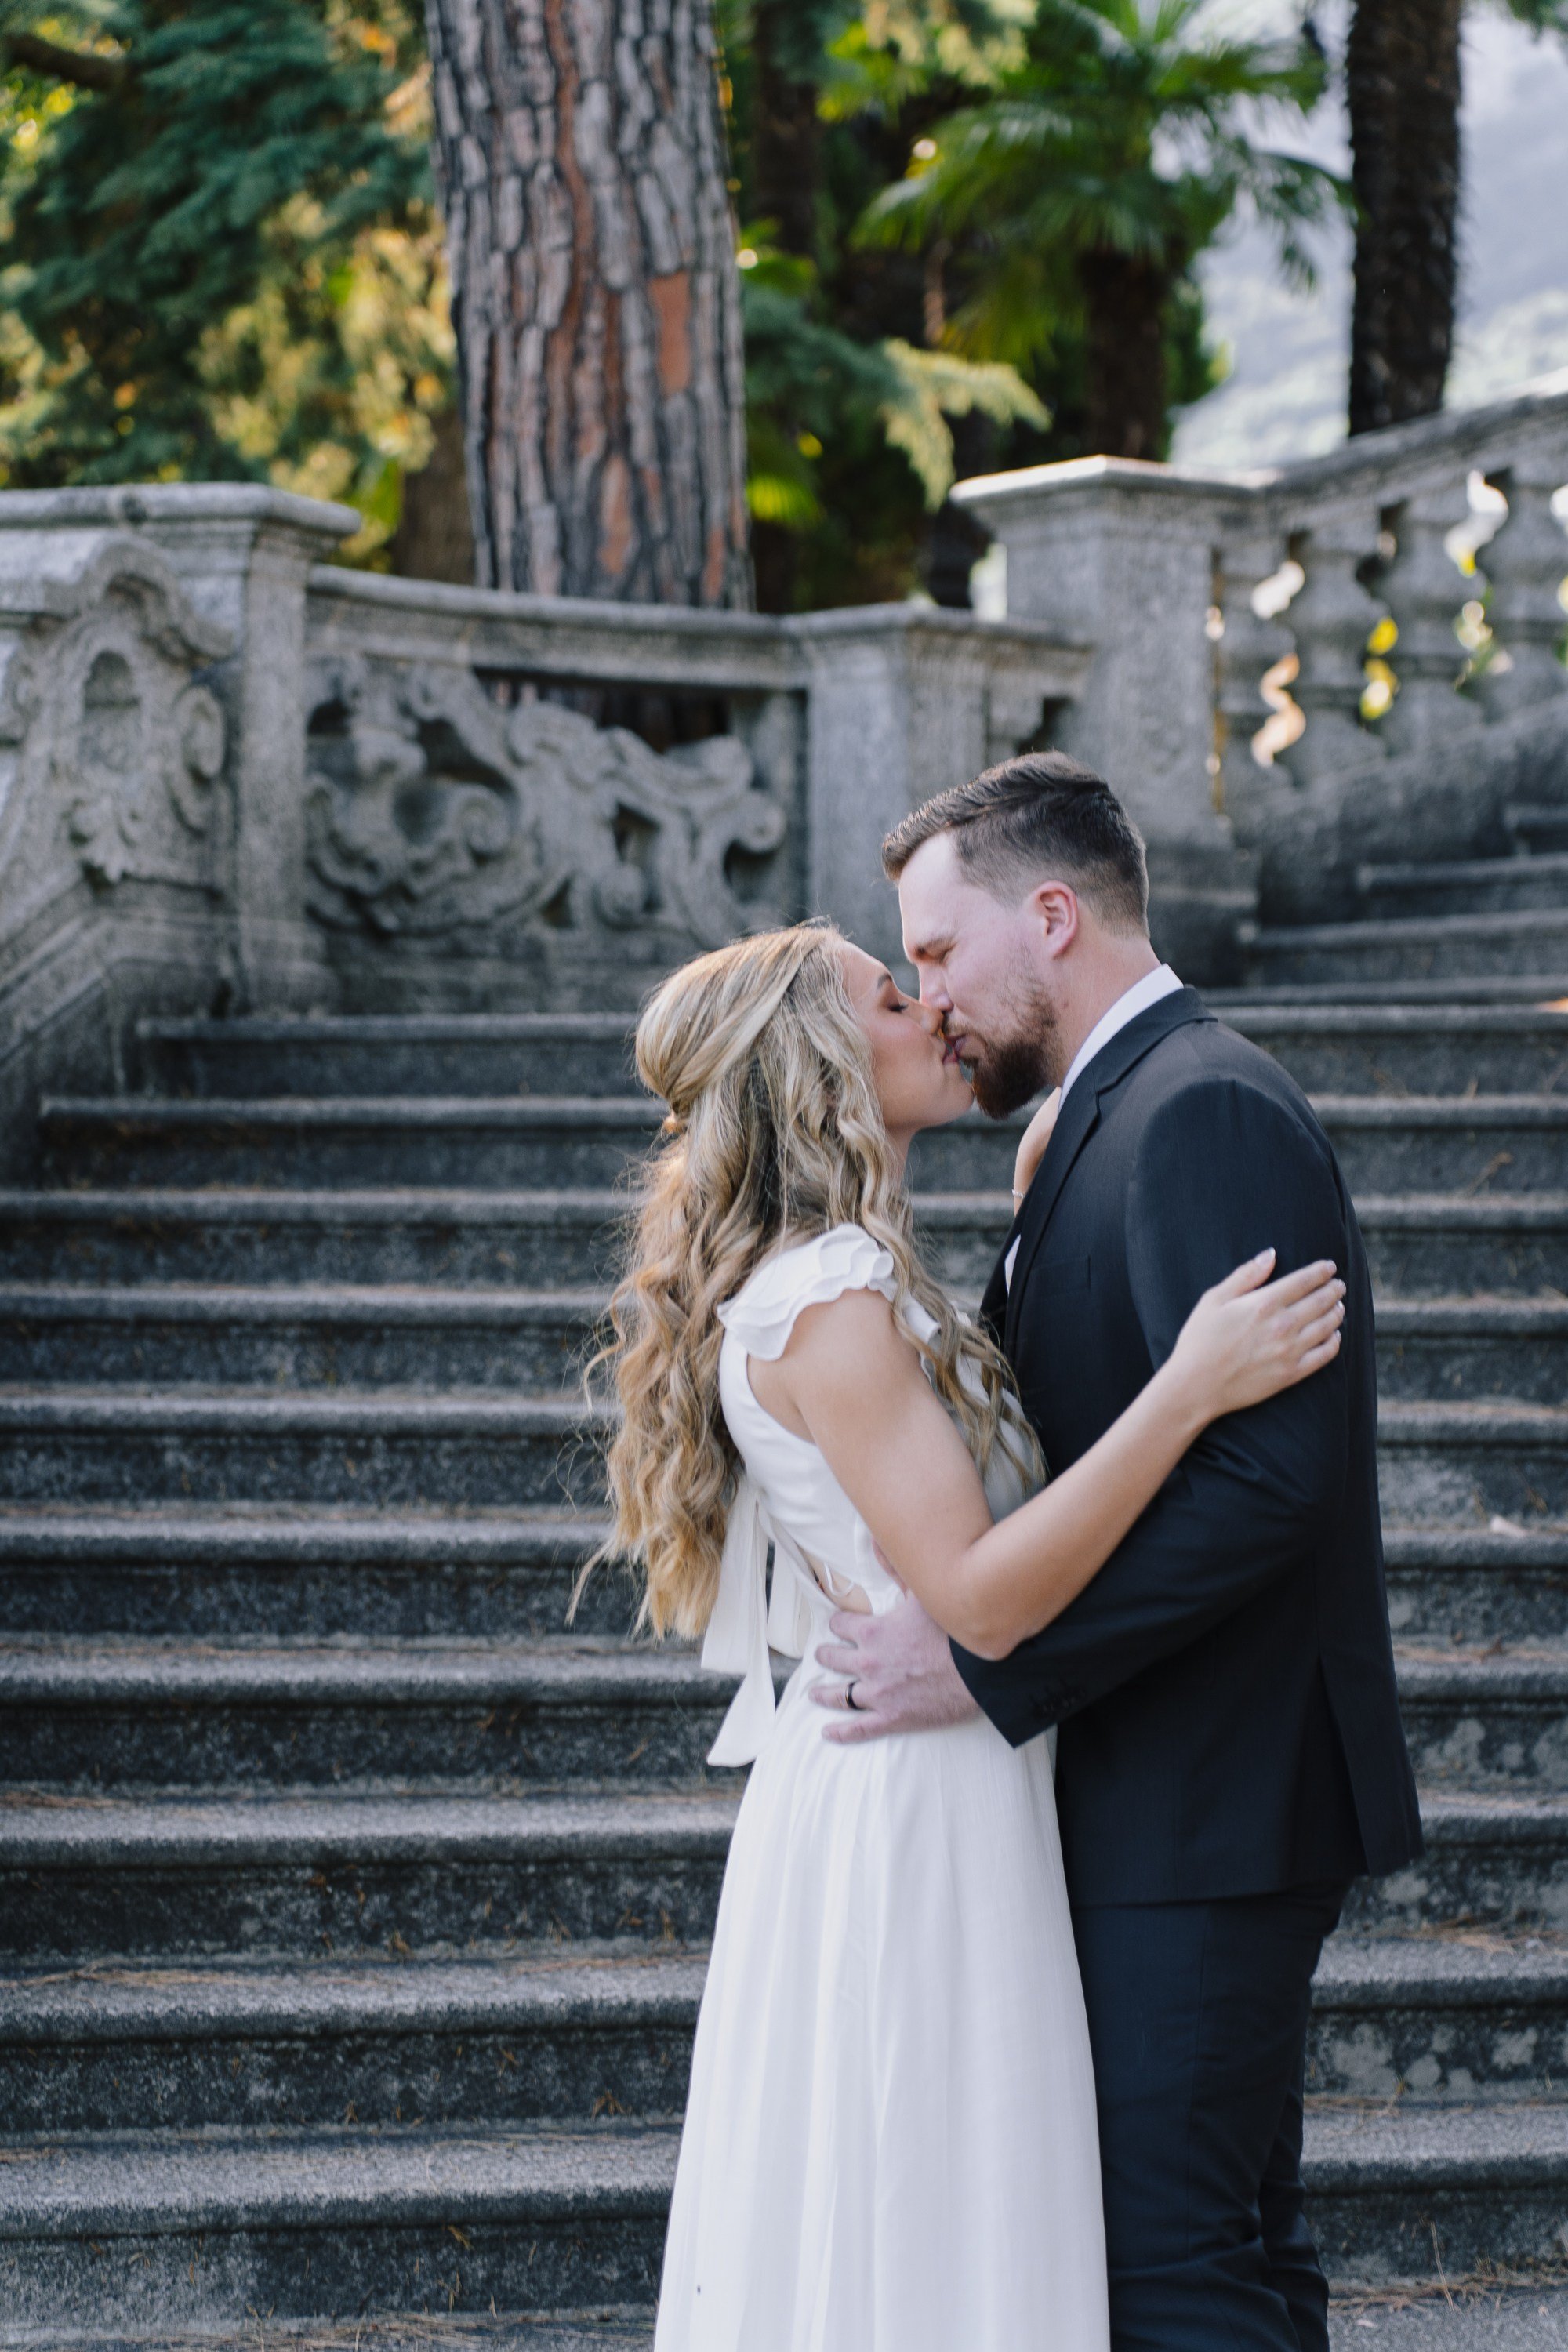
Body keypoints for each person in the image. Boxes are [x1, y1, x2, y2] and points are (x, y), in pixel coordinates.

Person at [585, 917, 1348, 2351]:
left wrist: (1023, 1235)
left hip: (941, 1777)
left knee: (937, 2210)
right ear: (821, 1060)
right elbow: (984, 1596)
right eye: (891, 994)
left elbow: (953, 1477)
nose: (931, 1007)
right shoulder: (827, 1298)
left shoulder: (851, 1277)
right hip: (915, 1799)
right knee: (931, 2208)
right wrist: (1187, 1389)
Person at [815, 752, 1424, 2352]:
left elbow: (1268, 1482)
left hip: (1210, 1799)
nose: (931, 1000)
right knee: (1224, 2249)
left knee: (1170, 2268)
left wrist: (990, 1663)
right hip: (1171, 1793)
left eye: (939, 953)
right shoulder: (1097, 1120)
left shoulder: (1199, 1106)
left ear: (1052, 916)